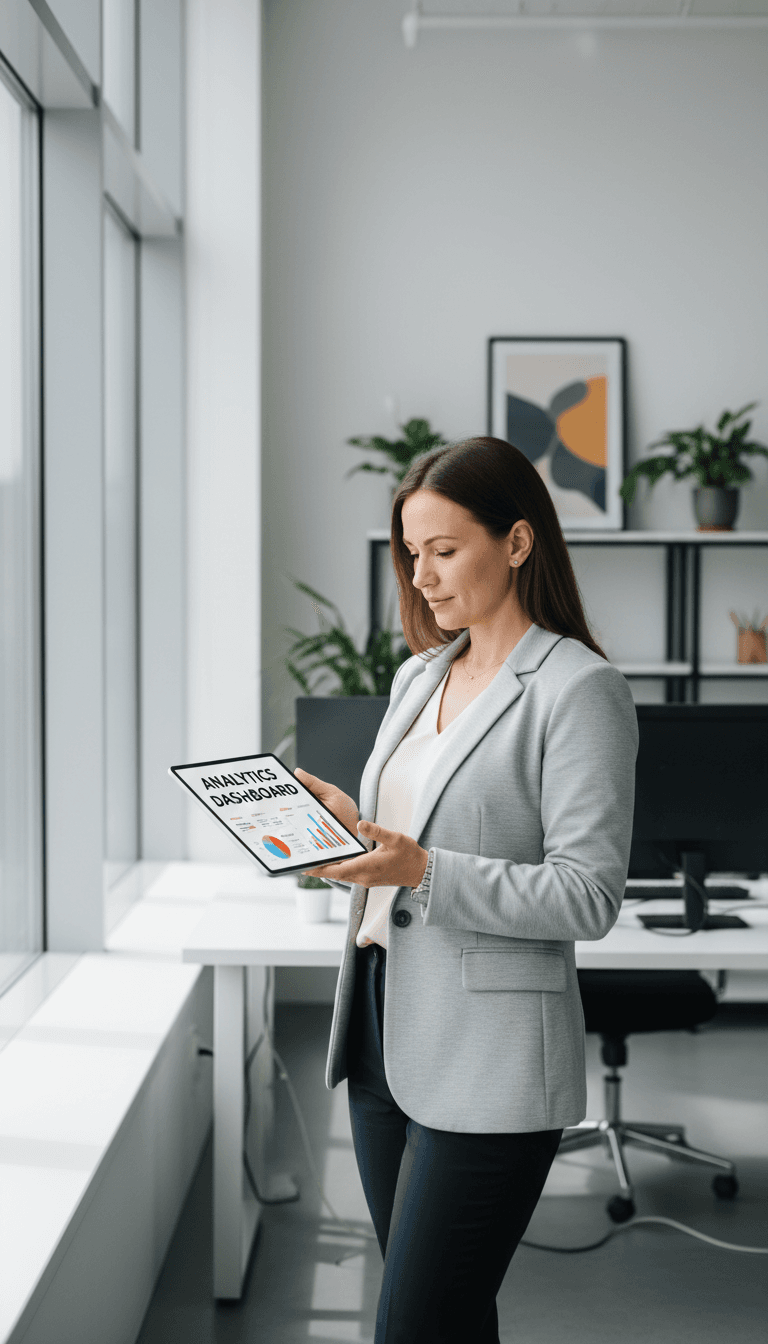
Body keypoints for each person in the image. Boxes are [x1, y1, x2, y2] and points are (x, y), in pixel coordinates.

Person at [295, 435, 638, 1344]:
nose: (424, 576)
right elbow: (403, 851)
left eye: (445, 551)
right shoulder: (420, 676)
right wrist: (346, 839)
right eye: (414, 554)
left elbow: (587, 895)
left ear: (518, 544)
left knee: (414, 1324)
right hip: (380, 1021)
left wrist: (422, 870)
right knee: (447, 1319)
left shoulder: (579, 690)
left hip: (490, 1053)